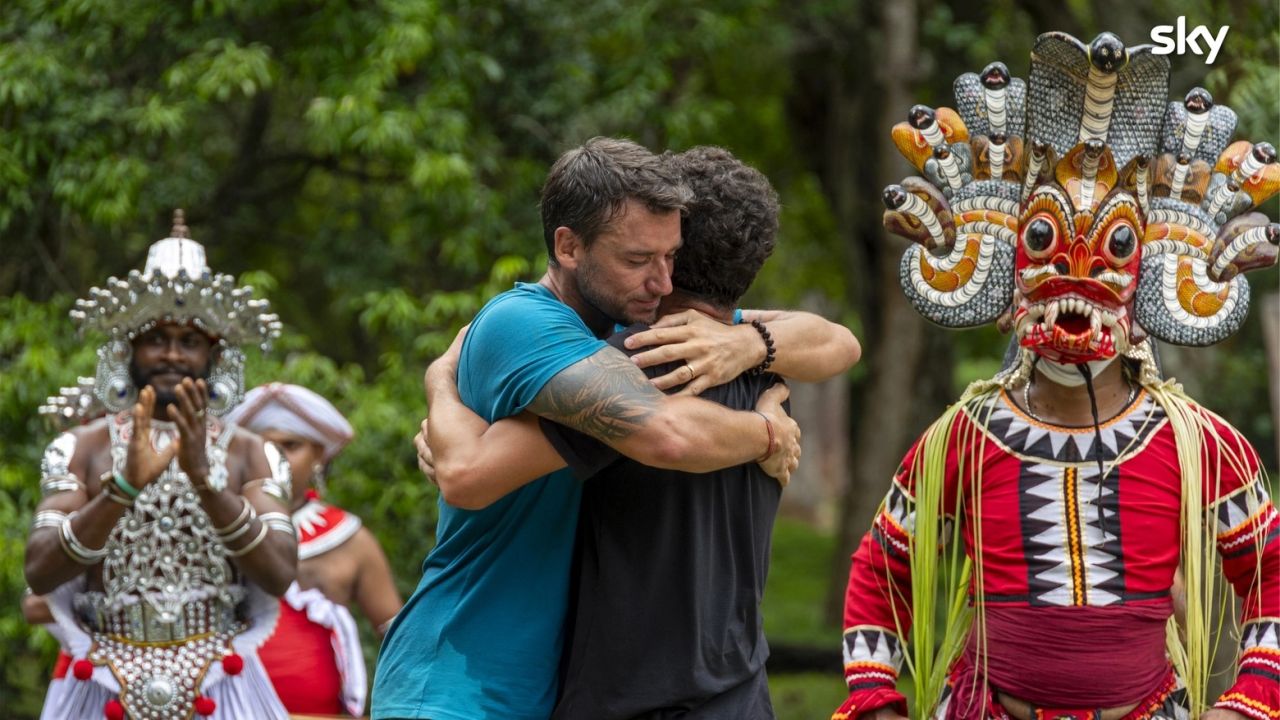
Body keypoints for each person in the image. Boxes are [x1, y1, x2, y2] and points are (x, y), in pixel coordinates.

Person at [833, 31, 1278, 720]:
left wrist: (1251, 700)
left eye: (1112, 251)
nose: (1077, 275)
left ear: (1146, 280)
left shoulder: (1202, 445)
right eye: (1042, 242)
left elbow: (1270, 573)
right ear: (1010, 273)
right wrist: (875, 700)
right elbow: (880, 570)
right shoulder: (963, 438)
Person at [371, 136, 832, 720]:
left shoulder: (621, 335)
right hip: (451, 683)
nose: (662, 283)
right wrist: (769, 433)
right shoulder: (529, 324)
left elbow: (832, 339)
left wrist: (746, 343)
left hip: (528, 690)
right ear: (568, 246)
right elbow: (666, 435)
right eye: (638, 260)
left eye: (671, 257)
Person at [24, 212, 298, 720]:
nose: (172, 353)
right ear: (127, 349)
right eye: (156, 338)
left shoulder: (251, 452)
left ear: (216, 356)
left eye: (190, 341)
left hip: (222, 682)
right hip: (103, 680)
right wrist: (122, 488)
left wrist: (207, 483)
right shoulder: (80, 448)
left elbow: (280, 573)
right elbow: (40, 571)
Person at [227, 382, 403, 717]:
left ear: (319, 455)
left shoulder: (351, 540)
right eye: (263, 446)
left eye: (290, 446)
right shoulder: (214, 528)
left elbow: (401, 641)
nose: (275, 457)